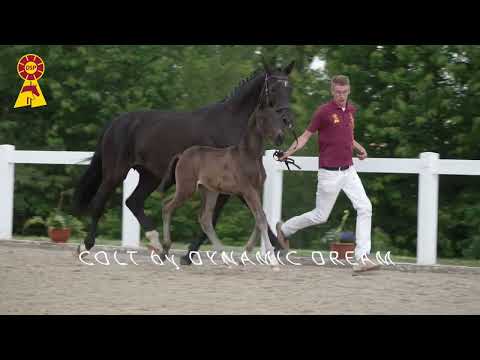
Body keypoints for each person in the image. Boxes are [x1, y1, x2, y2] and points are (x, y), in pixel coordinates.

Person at [276, 75, 379, 272]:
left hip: (349, 170)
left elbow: (347, 136)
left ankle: (362, 257)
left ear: (349, 91)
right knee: (320, 216)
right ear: (332, 91)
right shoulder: (323, 112)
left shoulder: (350, 111)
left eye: (344, 92)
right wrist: (288, 152)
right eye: (338, 92)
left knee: (365, 207)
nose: (341, 96)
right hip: (329, 174)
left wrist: (359, 148)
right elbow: (305, 136)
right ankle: (285, 229)